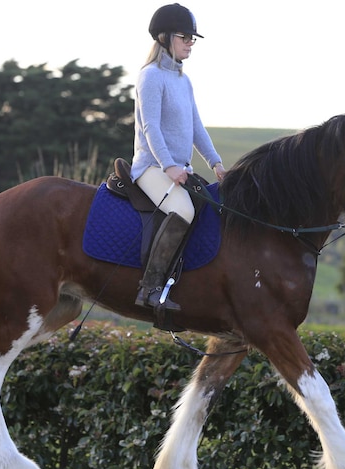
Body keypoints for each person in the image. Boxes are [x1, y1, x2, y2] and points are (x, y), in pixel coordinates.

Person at [131, 3, 226, 312]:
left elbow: (196, 126)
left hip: (176, 168)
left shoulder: (183, 81)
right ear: (164, 37)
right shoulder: (151, 76)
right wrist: (169, 165)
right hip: (150, 167)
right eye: (185, 36)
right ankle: (151, 289)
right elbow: (150, 128)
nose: (189, 43)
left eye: (191, 38)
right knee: (183, 210)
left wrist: (215, 162)